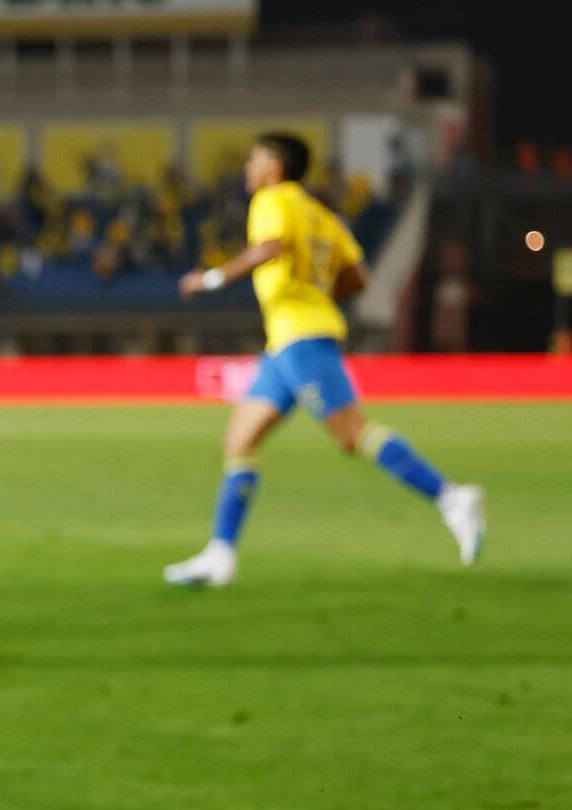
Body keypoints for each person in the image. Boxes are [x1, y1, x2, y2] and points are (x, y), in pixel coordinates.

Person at [166, 132, 484, 587]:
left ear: (275, 167)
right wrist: (317, 292)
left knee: (352, 434)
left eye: (254, 160)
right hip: (287, 342)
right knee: (240, 439)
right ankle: (221, 555)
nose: (248, 169)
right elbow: (358, 277)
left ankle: (451, 497)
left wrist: (212, 279)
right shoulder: (322, 214)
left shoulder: (273, 199)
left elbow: (270, 247)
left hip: (302, 338)